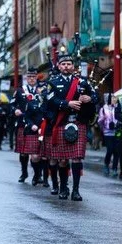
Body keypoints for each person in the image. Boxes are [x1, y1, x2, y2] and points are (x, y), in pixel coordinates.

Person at [43, 54, 97, 201]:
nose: (66, 66)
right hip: (61, 122)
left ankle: (76, 190)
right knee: (62, 160)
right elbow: (50, 100)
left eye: (69, 64)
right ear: (59, 66)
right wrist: (68, 104)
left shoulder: (82, 82)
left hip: (78, 122)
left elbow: (95, 95)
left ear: (73, 66)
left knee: (77, 159)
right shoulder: (53, 82)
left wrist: (89, 98)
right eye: (63, 64)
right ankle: (63, 187)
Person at [12, 67, 44, 185]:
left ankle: (38, 174)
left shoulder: (42, 89)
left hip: (38, 123)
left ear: (36, 78)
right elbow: (12, 104)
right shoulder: (20, 91)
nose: (31, 79)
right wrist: (15, 110)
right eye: (29, 77)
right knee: (23, 152)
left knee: (37, 152)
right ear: (26, 78)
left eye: (33, 77)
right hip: (22, 124)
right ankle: (24, 172)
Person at [97, 94, 119, 177]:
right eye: (113, 98)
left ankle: (114, 168)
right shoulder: (103, 109)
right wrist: (105, 122)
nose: (114, 99)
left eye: (114, 98)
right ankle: (106, 165)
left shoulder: (117, 107)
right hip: (107, 132)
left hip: (116, 132)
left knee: (116, 151)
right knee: (110, 150)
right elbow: (99, 121)